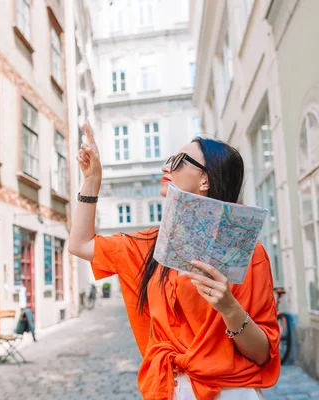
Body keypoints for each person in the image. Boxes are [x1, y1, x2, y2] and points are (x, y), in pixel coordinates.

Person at [68, 125, 280, 400]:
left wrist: (229, 308)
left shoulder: (249, 253)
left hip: (231, 392)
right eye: (169, 161)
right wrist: (92, 180)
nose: (164, 168)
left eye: (177, 162)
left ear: (205, 179)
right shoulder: (148, 246)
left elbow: (261, 353)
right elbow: (80, 244)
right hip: (169, 389)